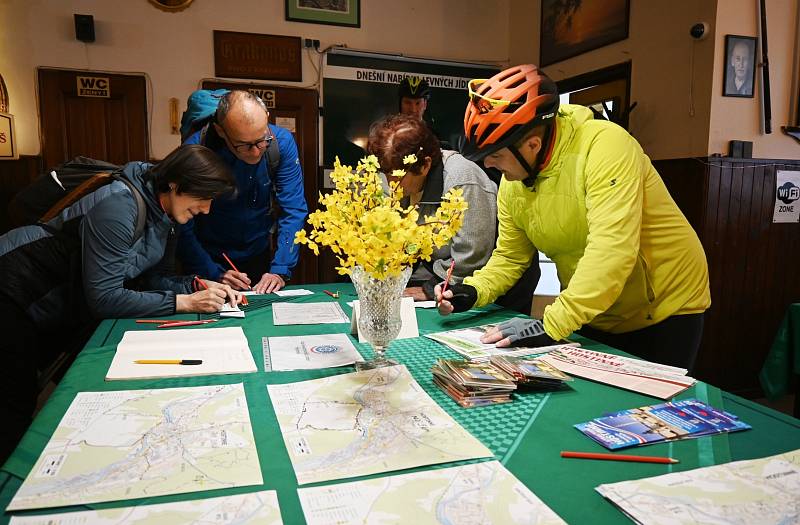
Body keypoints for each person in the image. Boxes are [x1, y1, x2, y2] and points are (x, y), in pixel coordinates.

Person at [436, 64, 711, 371]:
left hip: (663, 305)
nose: (488, 164)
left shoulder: (605, 146)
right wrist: (472, 290)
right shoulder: (513, 182)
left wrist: (552, 323)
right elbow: (511, 258)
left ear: (532, 145)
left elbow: (611, 250)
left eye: (496, 154)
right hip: (596, 306)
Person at [0, 144, 240, 463]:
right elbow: (105, 298)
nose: (207, 209)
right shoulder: (120, 204)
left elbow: (153, 279)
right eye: (204, 197)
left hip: (52, 301)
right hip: (14, 288)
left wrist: (197, 284)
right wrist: (184, 302)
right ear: (175, 183)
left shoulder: (168, 216)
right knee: (12, 408)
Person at [367, 113, 537, 314]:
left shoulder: (462, 178)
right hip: (447, 284)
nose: (390, 183)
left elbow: (471, 257)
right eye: (386, 174)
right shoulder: (397, 180)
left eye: (396, 176)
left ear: (425, 165)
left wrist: (428, 289)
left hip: (498, 290)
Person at [178, 90, 308, 293]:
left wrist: (280, 269)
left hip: (258, 250)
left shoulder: (280, 142)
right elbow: (182, 222)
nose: (256, 151)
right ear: (221, 131)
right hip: (207, 255)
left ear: (266, 119)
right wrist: (212, 272)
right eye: (245, 145)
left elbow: (293, 210)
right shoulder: (196, 150)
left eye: (262, 140)